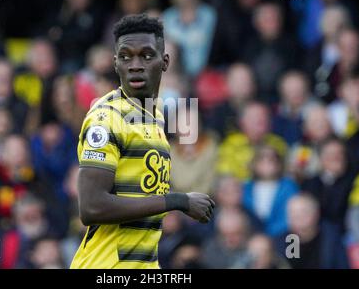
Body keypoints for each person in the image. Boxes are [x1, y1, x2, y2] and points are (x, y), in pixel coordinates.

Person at [70, 14, 214, 269]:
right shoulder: (106, 118)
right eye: (126, 57)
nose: (135, 65)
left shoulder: (156, 118)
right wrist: (178, 201)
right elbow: (91, 207)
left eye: (147, 56)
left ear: (165, 61)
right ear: (116, 64)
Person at [276, 194, 349, 269]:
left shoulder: (331, 239)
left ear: (316, 213)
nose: (296, 217)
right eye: (292, 213)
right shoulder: (285, 241)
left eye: (303, 212)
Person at [242, 145, 299, 237]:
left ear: (279, 164)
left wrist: (269, 235)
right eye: (261, 158)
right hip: (251, 237)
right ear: (253, 164)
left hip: (283, 235)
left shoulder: (289, 186)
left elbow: (290, 217)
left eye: (272, 159)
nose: (267, 162)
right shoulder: (245, 188)